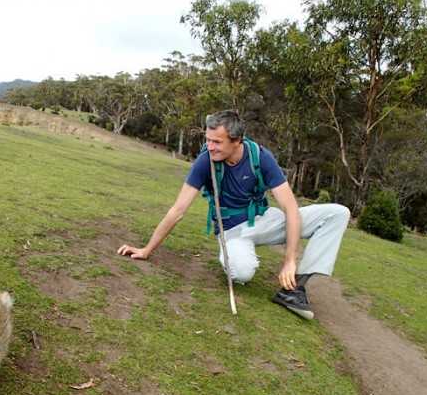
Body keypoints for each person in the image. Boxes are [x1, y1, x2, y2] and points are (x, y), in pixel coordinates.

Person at [117, 110, 350, 320]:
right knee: (242, 273)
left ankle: (294, 288)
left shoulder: (260, 157)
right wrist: (147, 249)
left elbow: (291, 209)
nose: (210, 147)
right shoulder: (205, 161)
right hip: (231, 231)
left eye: (217, 142)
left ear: (237, 140)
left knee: (337, 213)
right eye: (208, 140)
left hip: (265, 218)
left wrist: (290, 260)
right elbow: (178, 210)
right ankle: (249, 263)